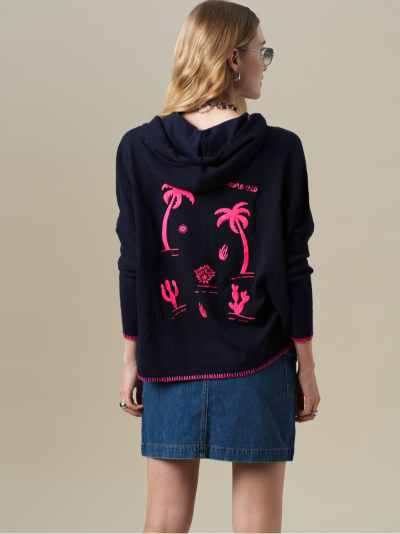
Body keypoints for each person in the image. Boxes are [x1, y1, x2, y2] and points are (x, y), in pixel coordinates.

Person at [115, 1, 321, 531]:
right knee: (257, 525)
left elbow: (134, 263)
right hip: (260, 359)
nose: (264, 64)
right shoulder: (280, 151)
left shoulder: (138, 149)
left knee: (163, 522)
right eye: (261, 52)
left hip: (169, 358)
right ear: (233, 59)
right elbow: (292, 266)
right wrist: (306, 365)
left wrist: (131, 357)